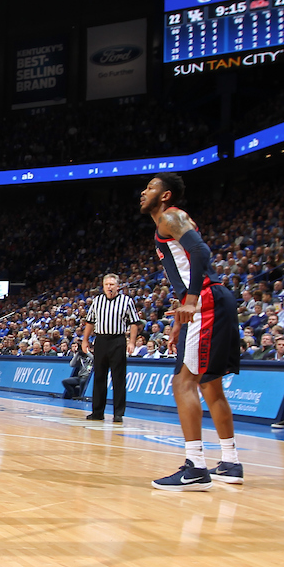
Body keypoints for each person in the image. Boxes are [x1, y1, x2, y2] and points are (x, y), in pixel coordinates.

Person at [140, 172, 243, 490]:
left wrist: (193, 301)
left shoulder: (171, 216)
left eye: (151, 187)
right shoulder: (165, 224)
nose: (143, 192)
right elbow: (186, 269)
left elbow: (201, 253)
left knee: (183, 382)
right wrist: (179, 318)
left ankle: (195, 466)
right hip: (209, 301)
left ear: (166, 195)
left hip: (207, 300)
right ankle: (230, 460)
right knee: (210, 384)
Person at [83, 273, 140, 423]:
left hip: (118, 340)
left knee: (118, 378)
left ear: (118, 286)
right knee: (99, 377)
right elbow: (90, 322)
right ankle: (97, 412)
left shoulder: (126, 301)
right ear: (103, 286)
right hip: (101, 340)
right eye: (107, 284)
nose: (109, 287)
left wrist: (132, 342)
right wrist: (85, 340)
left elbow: (134, 323)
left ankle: (118, 413)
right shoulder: (97, 301)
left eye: (112, 284)